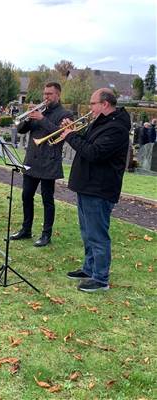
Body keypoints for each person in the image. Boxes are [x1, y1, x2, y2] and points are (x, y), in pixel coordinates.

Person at [61, 88, 130, 292]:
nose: (89, 108)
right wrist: (74, 131)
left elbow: (94, 153)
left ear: (105, 104)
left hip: (100, 188)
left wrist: (71, 136)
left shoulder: (116, 128)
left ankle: (100, 279)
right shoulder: (101, 123)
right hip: (87, 185)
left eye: (92, 104)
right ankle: (89, 268)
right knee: (87, 232)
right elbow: (90, 142)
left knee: (98, 235)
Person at [10, 82, 73, 247]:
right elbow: (22, 130)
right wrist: (27, 117)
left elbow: (60, 133)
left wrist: (42, 119)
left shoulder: (65, 114)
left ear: (58, 95)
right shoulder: (39, 112)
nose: (46, 97)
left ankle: (46, 235)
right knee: (26, 196)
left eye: (50, 94)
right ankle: (26, 229)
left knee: (47, 199)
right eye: (45, 94)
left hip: (49, 162)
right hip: (32, 160)